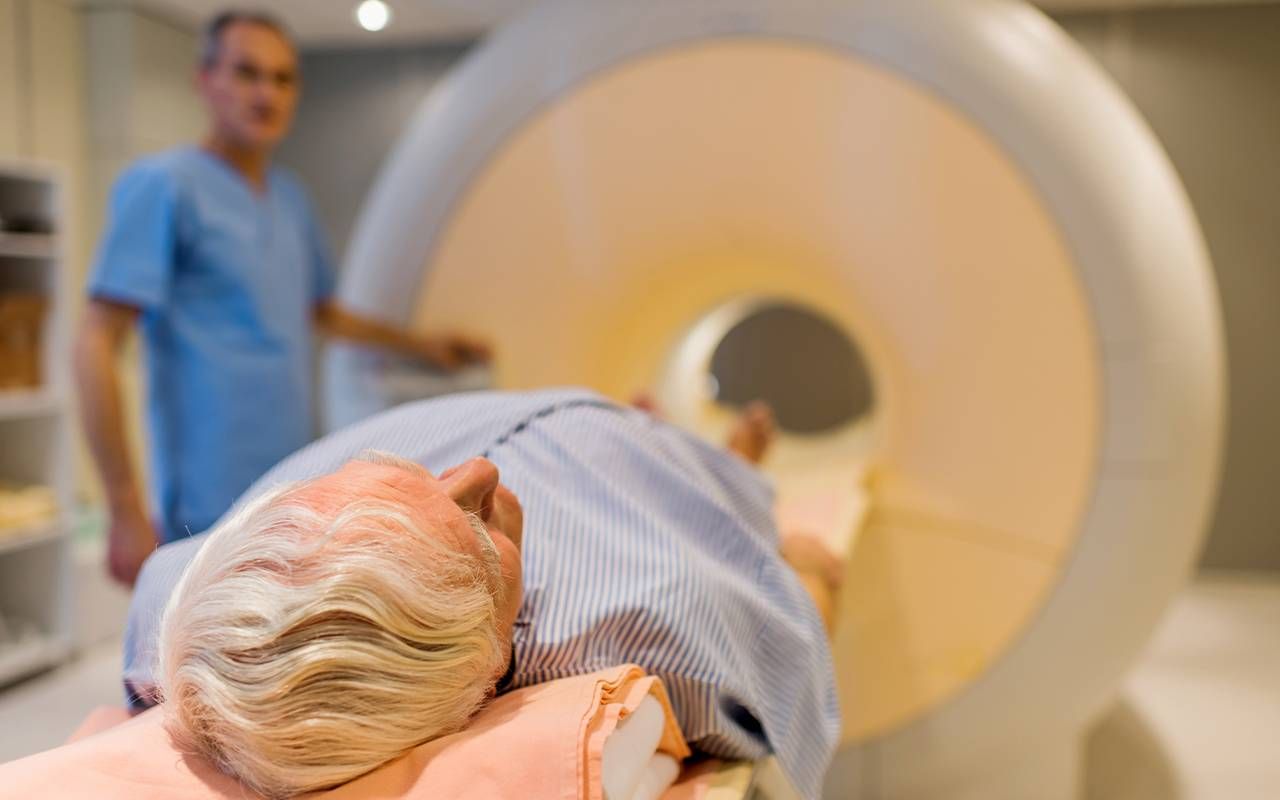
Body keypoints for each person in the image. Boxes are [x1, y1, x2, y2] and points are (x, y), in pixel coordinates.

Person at [124, 389, 842, 799]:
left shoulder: (169, 597)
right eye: (474, 530)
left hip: (507, 408)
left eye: (414, 478)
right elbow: (793, 645)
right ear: (488, 663)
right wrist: (808, 571)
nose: (477, 474)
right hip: (631, 468)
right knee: (727, 506)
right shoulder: (656, 633)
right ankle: (728, 460)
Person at [75, 10, 488, 587]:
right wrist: (122, 507)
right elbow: (96, 340)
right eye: (246, 73)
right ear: (205, 81)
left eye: (282, 78)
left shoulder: (287, 198)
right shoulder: (165, 186)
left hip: (289, 485)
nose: (266, 93)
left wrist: (423, 346)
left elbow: (319, 311)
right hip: (204, 505)